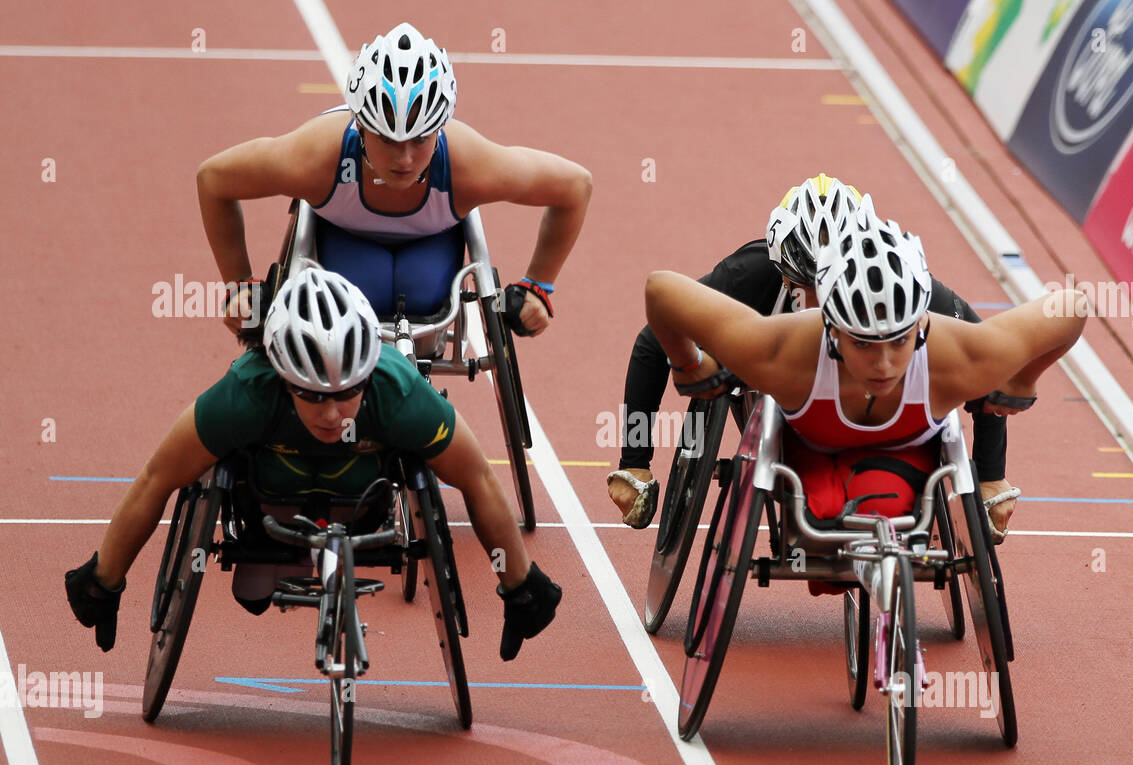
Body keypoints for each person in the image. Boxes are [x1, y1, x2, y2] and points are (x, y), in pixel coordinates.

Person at [64, 268, 561, 661]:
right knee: (251, 590)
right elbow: (159, 478)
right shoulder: (246, 393)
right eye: (311, 396)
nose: (330, 414)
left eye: (347, 394)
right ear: (281, 379)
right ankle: (276, 560)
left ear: (368, 372)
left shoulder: (399, 390)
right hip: (265, 519)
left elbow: (477, 478)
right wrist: (104, 578)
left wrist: (518, 584)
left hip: (363, 511)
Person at [643, 196, 1091, 587]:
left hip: (899, 462)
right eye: (863, 343)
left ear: (920, 325)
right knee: (819, 523)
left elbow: (1073, 305)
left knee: (884, 509)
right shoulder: (781, 350)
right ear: (832, 332)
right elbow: (660, 290)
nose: (883, 364)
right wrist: (688, 364)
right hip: (810, 461)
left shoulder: (960, 353)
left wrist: (1021, 382)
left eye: (898, 341)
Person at [608, 174, 1021, 538]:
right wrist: (635, 462)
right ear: (783, 274)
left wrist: (990, 475)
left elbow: (983, 357)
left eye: (832, 289)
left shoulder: (898, 280)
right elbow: (653, 341)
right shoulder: (749, 275)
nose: (821, 306)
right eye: (807, 288)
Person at [197, 22, 591, 341]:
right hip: (344, 243)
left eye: (420, 139)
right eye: (388, 140)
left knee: (420, 296)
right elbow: (214, 180)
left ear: (440, 129)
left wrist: (539, 286)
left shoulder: (472, 164)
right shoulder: (315, 157)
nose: (404, 159)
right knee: (359, 299)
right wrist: (239, 285)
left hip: (429, 247)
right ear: (361, 127)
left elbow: (575, 186)